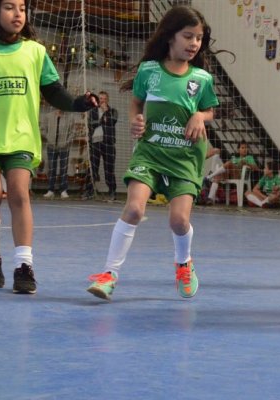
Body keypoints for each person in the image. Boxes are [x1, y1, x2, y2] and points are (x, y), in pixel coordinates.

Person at [0, 0, 98, 294]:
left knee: (19, 194)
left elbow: (55, 92)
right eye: (9, 7)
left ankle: (23, 265)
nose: (18, 14)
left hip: (21, 136)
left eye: (21, 8)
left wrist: (78, 103)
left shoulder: (35, 52)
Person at [85, 5, 220, 301]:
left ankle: (184, 264)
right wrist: (136, 119)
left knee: (179, 221)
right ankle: (109, 274)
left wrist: (200, 117)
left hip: (185, 158)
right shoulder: (149, 71)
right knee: (134, 209)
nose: (194, 43)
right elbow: (136, 102)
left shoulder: (202, 79)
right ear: (170, 36)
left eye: (198, 38)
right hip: (150, 152)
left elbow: (209, 111)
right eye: (188, 36)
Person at [42, 105, 82, 199]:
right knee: (52, 168)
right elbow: (43, 129)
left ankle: (63, 190)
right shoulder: (48, 116)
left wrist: (66, 142)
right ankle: (50, 190)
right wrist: (49, 139)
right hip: (51, 146)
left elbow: (73, 132)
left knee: (64, 169)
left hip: (64, 147)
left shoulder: (69, 117)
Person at [85, 90, 118, 201]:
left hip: (108, 143)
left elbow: (113, 121)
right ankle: (89, 191)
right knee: (93, 168)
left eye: (104, 99)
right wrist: (101, 120)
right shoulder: (93, 111)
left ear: (107, 100)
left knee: (109, 168)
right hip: (95, 143)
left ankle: (112, 191)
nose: (102, 100)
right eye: (100, 99)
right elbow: (90, 124)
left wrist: (106, 112)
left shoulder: (113, 111)